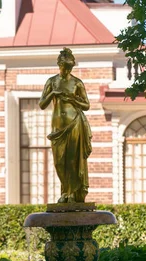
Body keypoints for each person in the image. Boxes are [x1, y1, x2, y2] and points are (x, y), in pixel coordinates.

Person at [39, 47, 92, 203]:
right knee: (59, 161)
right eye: (64, 66)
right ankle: (67, 190)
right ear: (59, 64)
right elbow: (42, 104)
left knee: (71, 160)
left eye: (69, 67)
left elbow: (86, 105)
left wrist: (73, 100)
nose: (67, 70)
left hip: (74, 123)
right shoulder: (52, 82)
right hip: (57, 126)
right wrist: (52, 94)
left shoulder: (77, 83)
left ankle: (69, 193)